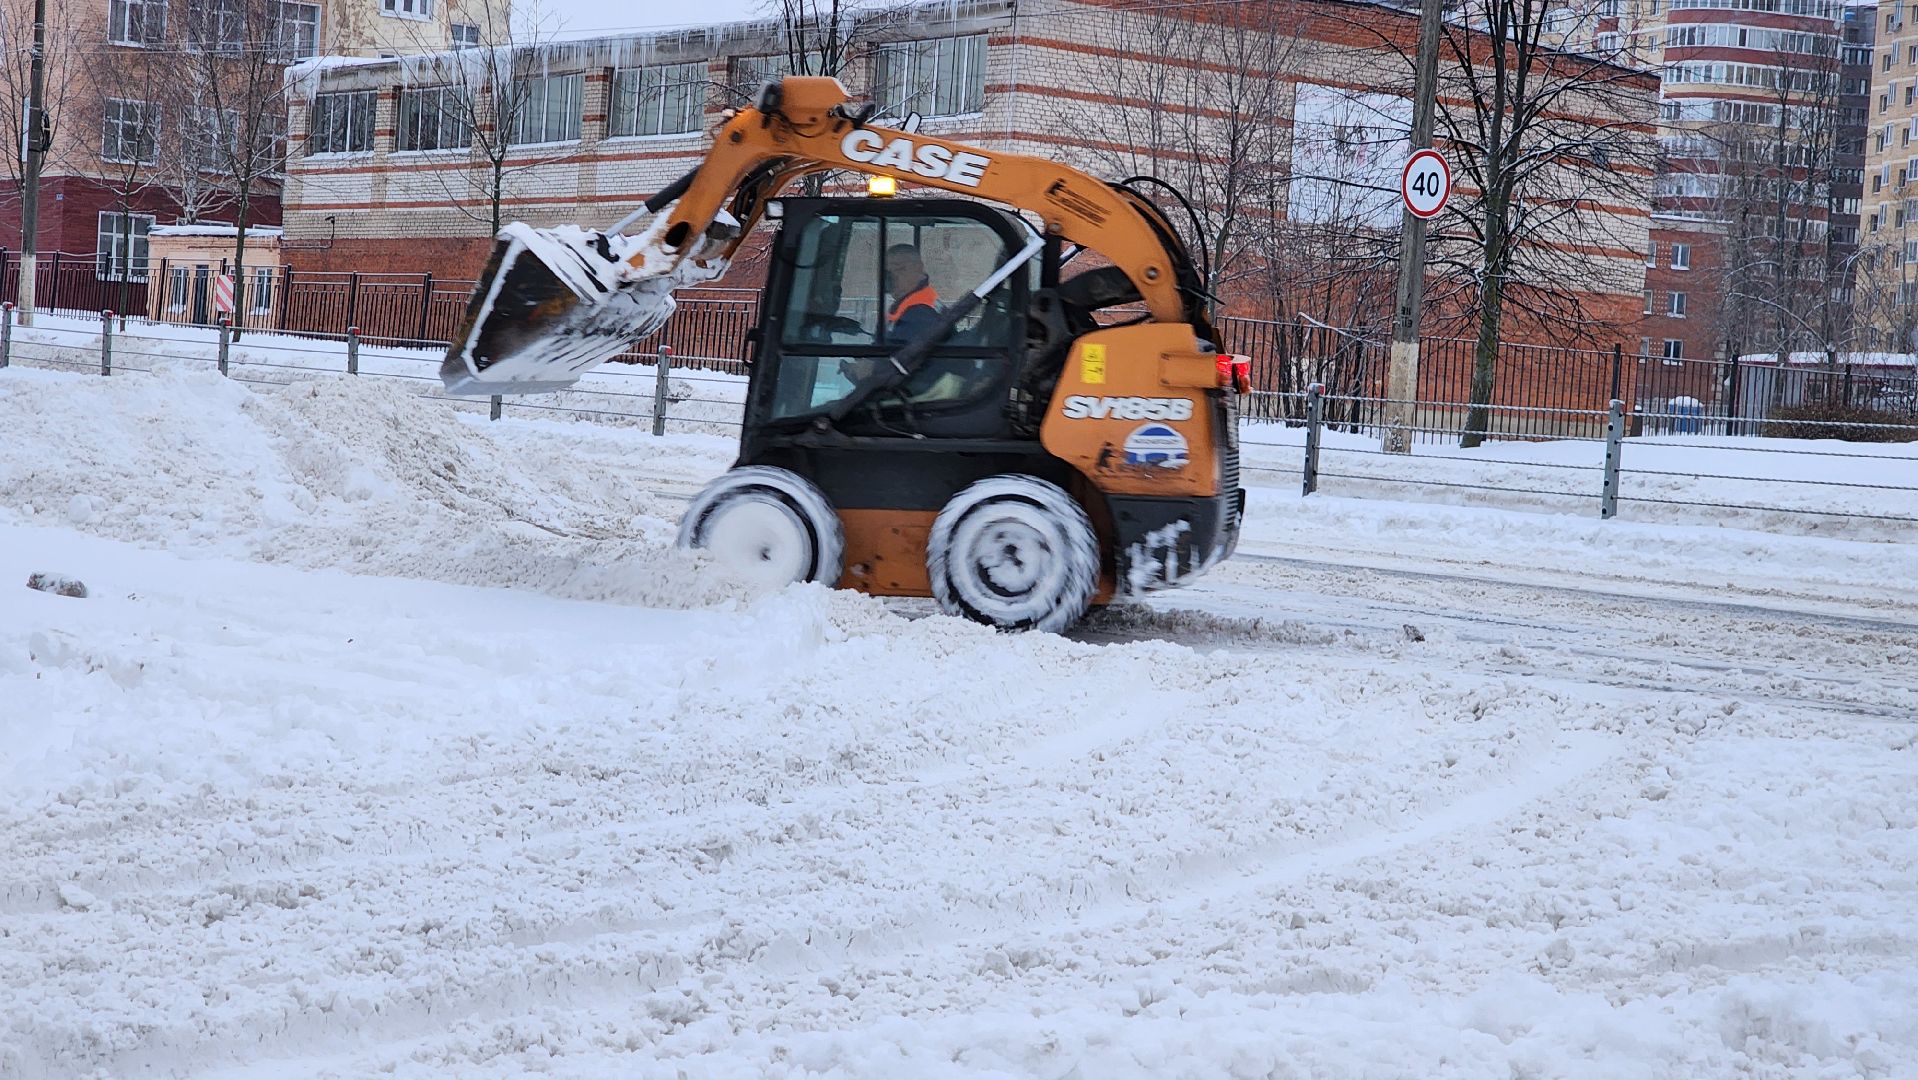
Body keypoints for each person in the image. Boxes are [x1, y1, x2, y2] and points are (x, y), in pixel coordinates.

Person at [884, 244, 941, 344]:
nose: (893, 278)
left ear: (918, 268)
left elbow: (898, 355)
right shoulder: (921, 299)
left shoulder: (919, 312)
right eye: (888, 273)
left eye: (900, 269)